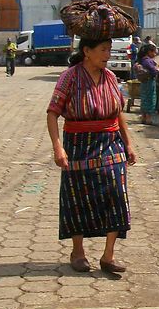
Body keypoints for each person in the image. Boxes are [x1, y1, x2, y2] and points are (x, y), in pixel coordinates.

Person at [47, 37, 136, 274]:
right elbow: (53, 114)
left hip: (110, 142)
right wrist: (58, 147)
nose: (107, 55)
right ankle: (78, 251)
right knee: (78, 196)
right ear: (87, 51)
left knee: (117, 193)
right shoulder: (70, 77)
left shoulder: (110, 77)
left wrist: (128, 144)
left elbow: (118, 114)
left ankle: (108, 255)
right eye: (103, 50)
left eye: (109, 49)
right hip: (78, 144)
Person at [135, 43, 159, 125]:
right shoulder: (148, 61)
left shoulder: (142, 60)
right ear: (149, 52)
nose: (155, 54)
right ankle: (148, 119)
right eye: (154, 52)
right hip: (149, 82)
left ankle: (143, 117)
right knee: (150, 99)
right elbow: (154, 71)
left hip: (144, 82)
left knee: (144, 98)